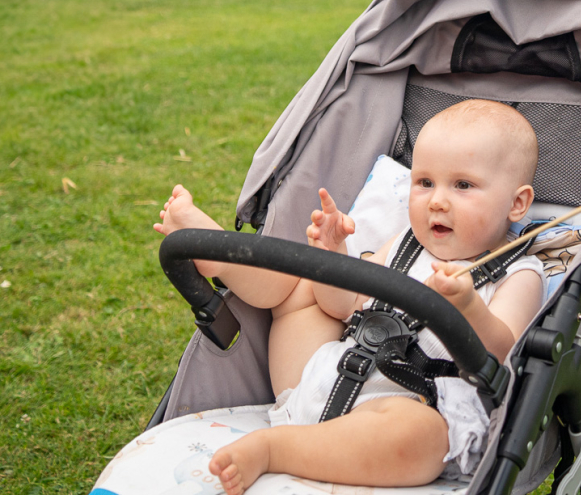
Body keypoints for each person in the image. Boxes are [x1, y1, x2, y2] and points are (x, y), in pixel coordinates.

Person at [153, 100, 547, 495]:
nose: (437, 201)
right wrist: (334, 256)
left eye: (462, 185)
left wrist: (468, 307)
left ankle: (276, 450)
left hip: (402, 406)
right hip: (318, 377)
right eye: (425, 183)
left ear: (517, 203)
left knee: (423, 436)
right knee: (302, 282)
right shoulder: (404, 245)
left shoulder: (520, 272)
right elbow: (344, 305)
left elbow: (501, 354)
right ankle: (220, 256)